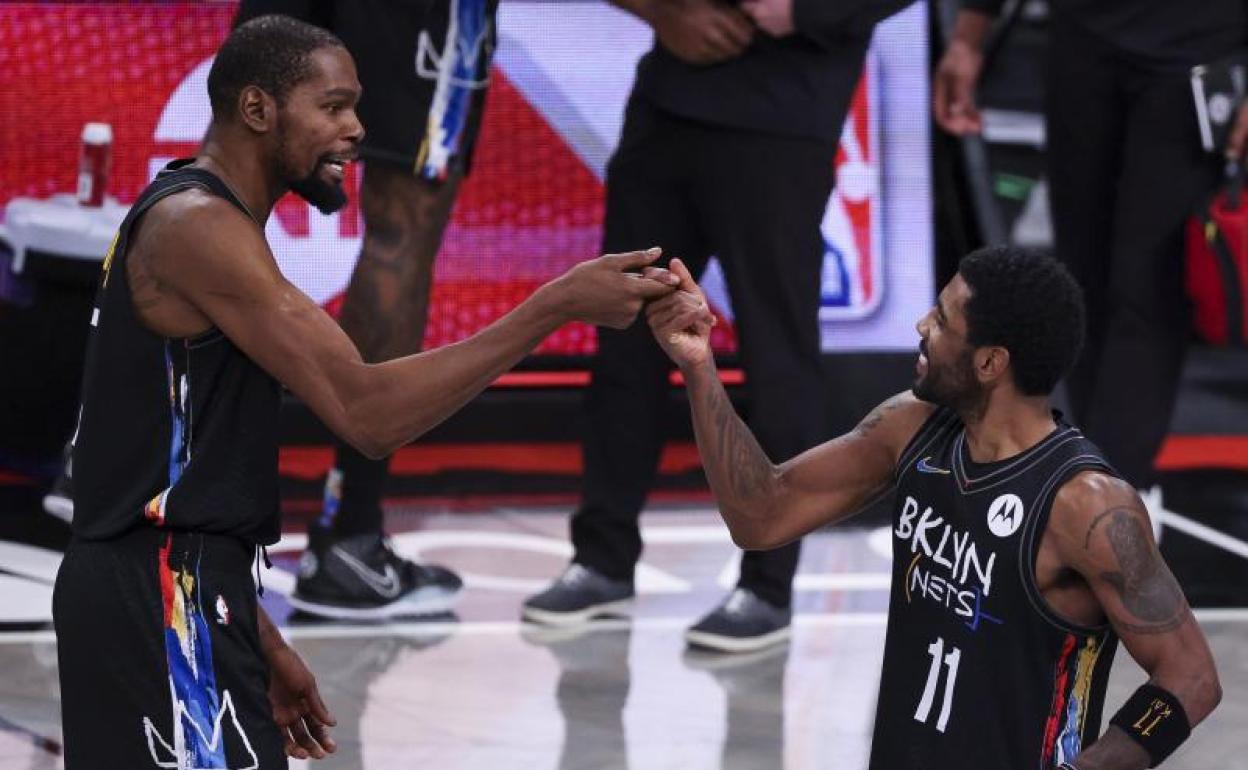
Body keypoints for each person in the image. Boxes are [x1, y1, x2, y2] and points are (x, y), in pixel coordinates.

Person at [53, 16, 678, 768]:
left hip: (183, 594)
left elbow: (174, 474)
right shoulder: (197, 227)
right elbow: (367, 413)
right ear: (257, 109)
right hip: (159, 605)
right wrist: (554, 305)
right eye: (334, 106)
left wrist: (254, 630)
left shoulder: (202, 217)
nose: (356, 130)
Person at [645, 246, 1221, 768]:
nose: (922, 326)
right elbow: (761, 514)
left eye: (943, 321)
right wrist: (700, 368)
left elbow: (1191, 676)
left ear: (990, 363)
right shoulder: (911, 429)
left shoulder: (1086, 506)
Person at [522, 0, 911, 653]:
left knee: (777, 354)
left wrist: (807, 10)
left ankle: (767, 586)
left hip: (786, 112)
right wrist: (664, 10)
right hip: (670, 97)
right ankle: (603, 558)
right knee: (624, 333)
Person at [932, 0, 1248, 504]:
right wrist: (969, 37)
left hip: (1199, 52)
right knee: (1079, 282)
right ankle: (1092, 478)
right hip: (1083, 40)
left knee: (1147, 286)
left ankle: (1109, 494)